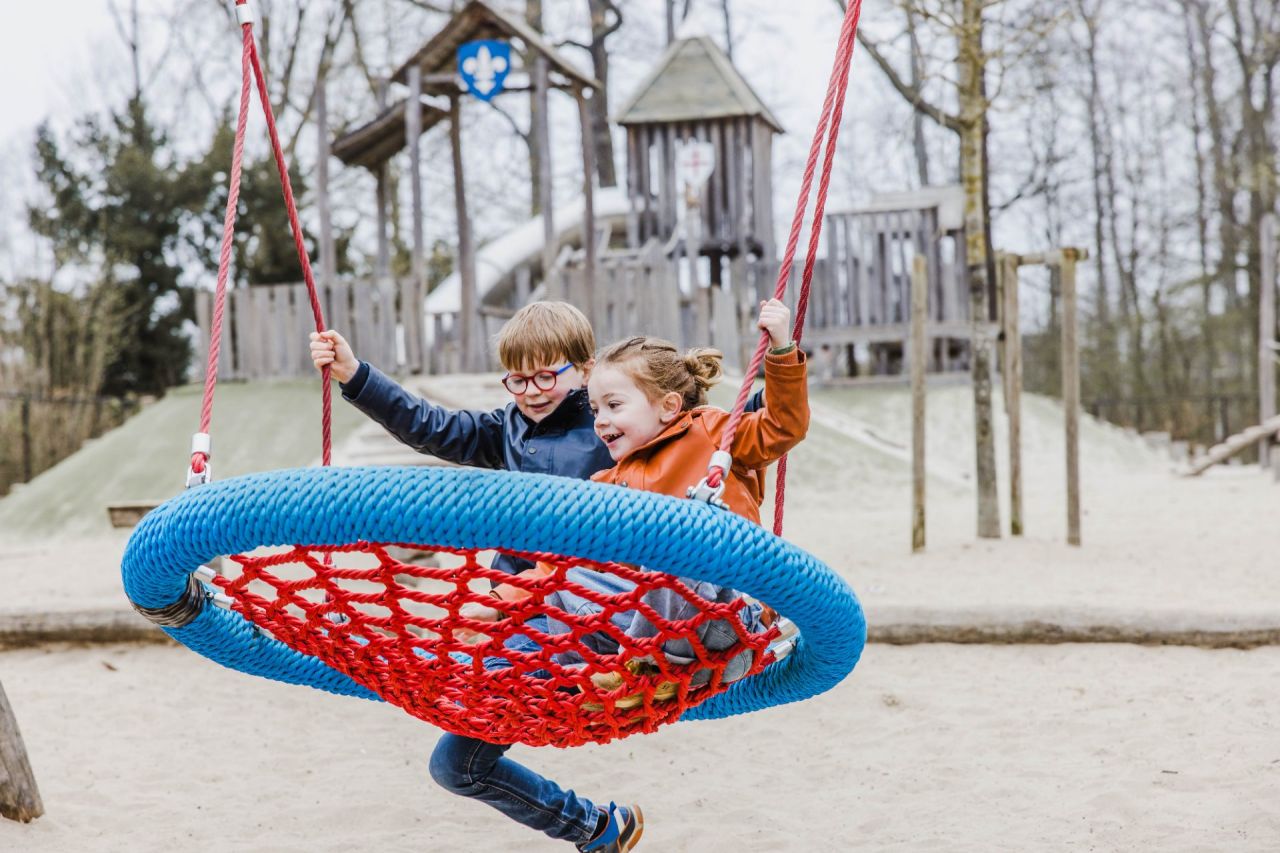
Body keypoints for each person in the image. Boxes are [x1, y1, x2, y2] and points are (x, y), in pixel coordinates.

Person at [310, 301, 764, 852]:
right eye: (517, 379)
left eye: (547, 374)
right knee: (455, 766)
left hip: (596, 619)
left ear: (585, 369)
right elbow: (428, 426)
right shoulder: (504, 430)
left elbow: (695, 423)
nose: (531, 390)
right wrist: (356, 375)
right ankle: (595, 827)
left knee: (469, 683)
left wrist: (770, 376)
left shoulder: (613, 429)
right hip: (523, 612)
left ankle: (383, 651)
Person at [484, 298, 807, 704]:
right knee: (566, 577)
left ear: (669, 406)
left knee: (675, 541)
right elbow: (552, 570)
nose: (600, 420)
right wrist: (496, 605)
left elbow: (783, 426)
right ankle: (582, 677)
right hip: (652, 631)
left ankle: (641, 666)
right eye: (596, 408)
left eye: (614, 406)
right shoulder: (604, 484)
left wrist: (780, 351)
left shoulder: (710, 434)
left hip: (725, 621)